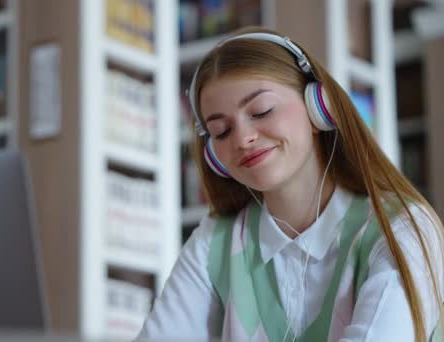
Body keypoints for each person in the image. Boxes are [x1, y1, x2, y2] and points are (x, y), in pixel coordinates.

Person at [136, 27, 444, 342]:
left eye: (261, 111)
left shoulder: (402, 229)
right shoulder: (215, 241)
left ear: (318, 108)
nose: (243, 139)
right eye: (222, 131)